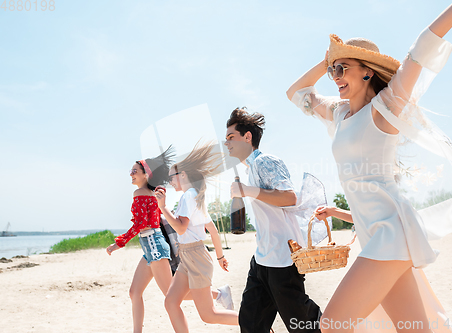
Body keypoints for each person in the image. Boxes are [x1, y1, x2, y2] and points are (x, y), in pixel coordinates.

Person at [286, 1, 452, 332]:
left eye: (343, 69)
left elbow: (422, 48)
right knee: (414, 329)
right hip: (374, 235)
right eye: (333, 71)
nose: (335, 77)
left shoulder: (385, 107)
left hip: (390, 233)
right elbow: (296, 92)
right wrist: (328, 59)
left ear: (368, 70)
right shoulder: (339, 113)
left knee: (330, 325)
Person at [106, 146, 233, 333]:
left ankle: (225, 299)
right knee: (141, 293)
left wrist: (119, 243)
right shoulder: (162, 194)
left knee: (180, 302)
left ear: (145, 175)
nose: (130, 174)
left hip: (160, 248)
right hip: (159, 248)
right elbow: (156, 222)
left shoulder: (148, 194)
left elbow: (145, 223)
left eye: (134, 171)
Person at [225, 108, 322, 333]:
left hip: (283, 259)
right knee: (250, 324)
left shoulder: (265, 161)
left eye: (231, 138)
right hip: (261, 259)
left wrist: (247, 191)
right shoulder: (250, 169)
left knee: (303, 325)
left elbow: (289, 197)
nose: (227, 143)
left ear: (247, 137)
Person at [155, 141, 239, 332]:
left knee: (209, 315)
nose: (170, 182)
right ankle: (224, 296)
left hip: (196, 257)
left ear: (182, 175)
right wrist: (220, 257)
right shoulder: (195, 197)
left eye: (172, 177)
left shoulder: (188, 196)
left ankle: (258, 324)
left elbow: (181, 228)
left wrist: (163, 207)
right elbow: (213, 230)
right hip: (190, 256)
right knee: (171, 302)